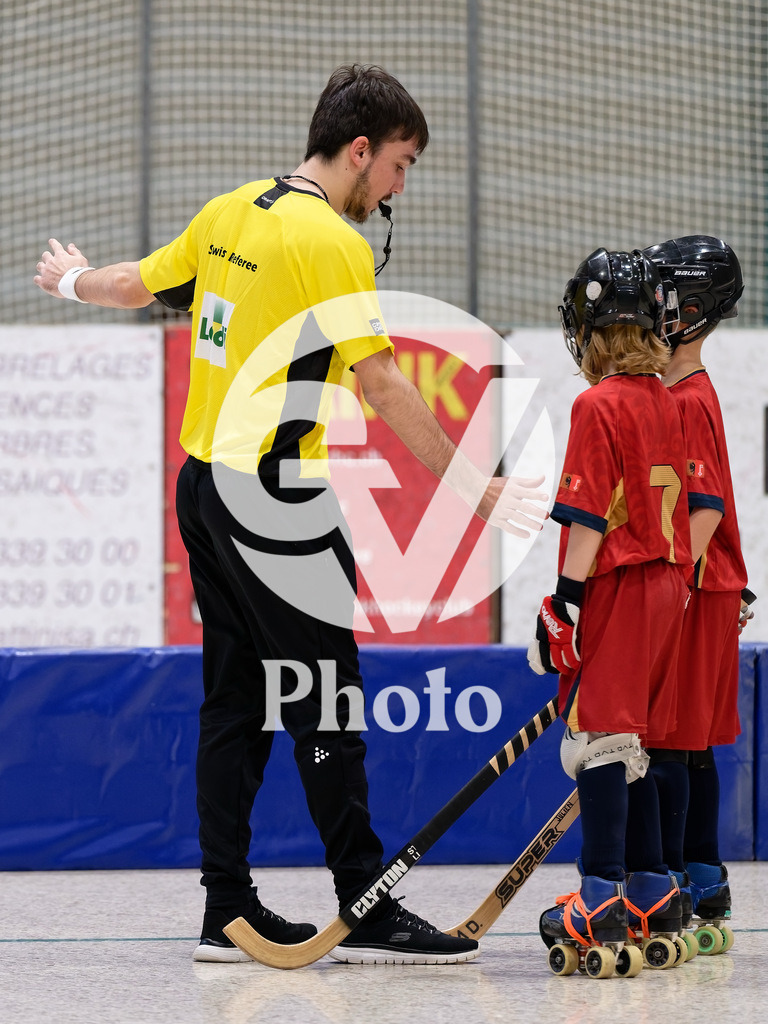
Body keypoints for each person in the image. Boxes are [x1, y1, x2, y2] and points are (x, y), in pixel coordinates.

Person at [34, 63, 547, 966]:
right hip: (276, 504)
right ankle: (367, 898)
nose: (398, 185)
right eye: (400, 164)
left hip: (203, 491)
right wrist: (477, 488)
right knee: (324, 701)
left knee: (235, 699)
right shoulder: (332, 244)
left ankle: (223, 910)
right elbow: (381, 379)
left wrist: (72, 282)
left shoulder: (231, 209)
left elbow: (136, 285)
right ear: (360, 151)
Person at [527, 248, 693, 974]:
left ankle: (599, 896)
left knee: (598, 741)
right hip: (668, 586)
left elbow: (589, 515)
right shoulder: (666, 398)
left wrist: (565, 601)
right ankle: (653, 892)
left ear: (588, 329)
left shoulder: (596, 404)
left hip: (622, 585)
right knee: (639, 743)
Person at [641, 235, 752, 950]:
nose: (648, 308)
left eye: (659, 297)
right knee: (694, 741)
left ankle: (677, 883)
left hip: (696, 585)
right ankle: (704, 878)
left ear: (690, 310)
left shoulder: (684, 398)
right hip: (707, 583)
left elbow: (704, 505)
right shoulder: (682, 394)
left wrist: (675, 587)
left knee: (674, 742)